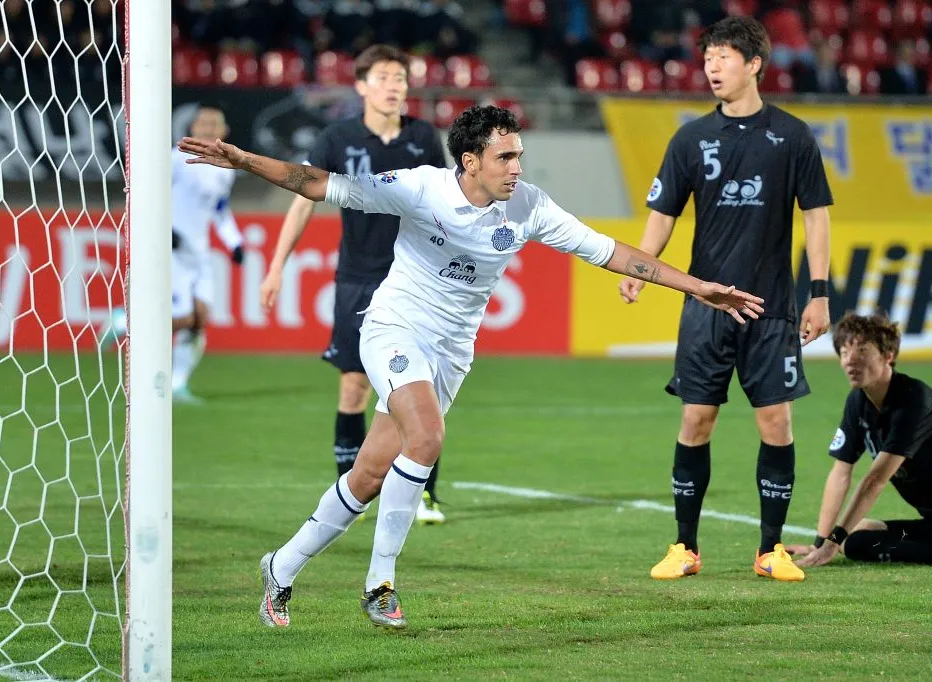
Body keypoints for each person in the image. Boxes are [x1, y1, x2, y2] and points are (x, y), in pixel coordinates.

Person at [179, 104, 764, 630]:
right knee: (428, 436)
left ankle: (279, 567)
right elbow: (316, 183)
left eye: (519, 155)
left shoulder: (529, 207)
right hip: (393, 327)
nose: (517, 167)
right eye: (504, 157)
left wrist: (698, 289)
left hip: (452, 352)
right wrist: (241, 160)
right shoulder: (419, 189)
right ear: (470, 161)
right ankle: (380, 585)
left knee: (369, 474)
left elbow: (611, 252)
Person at [617, 15, 833, 582]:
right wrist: (641, 267)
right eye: (708, 58)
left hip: (771, 309)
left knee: (777, 425)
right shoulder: (690, 138)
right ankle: (684, 548)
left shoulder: (792, 135)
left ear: (754, 64)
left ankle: (771, 551)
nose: (712, 68)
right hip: (706, 307)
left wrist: (820, 294)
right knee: (696, 421)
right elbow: (662, 215)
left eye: (724, 58)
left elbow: (817, 217)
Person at [261, 44, 450, 525]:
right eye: (384, 77)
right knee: (354, 387)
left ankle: (424, 495)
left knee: (418, 389)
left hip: (414, 281)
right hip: (358, 277)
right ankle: (352, 490)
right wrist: (277, 264)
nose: (394, 86)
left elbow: (443, 205)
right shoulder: (338, 137)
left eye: (400, 78)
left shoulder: (424, 137)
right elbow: (304, 198)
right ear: (362, 86)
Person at [98, 103, 244, 403]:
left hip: (199, 253)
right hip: (172, 249)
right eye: (202, 123)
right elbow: (145, 193)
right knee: (183, 317)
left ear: (225, 132)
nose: (206, 129)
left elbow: (218, 209)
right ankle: (124, 321)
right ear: (192, 129)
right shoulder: (175, 160)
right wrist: (160, 230)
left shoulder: (225, 169)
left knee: (200, 319)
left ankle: (177, 384)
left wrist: (235, 242)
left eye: (213, 124)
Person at [786, 313, 932, 567]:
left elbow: (875, 480)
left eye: (862, 351)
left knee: (851, 543)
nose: (851, 361)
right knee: (856, 534)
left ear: (888, 355)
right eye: (844, 352)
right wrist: (821, 543)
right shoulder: (858, 401)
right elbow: (841, 471)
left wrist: (831, 546)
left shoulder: (913, 399)